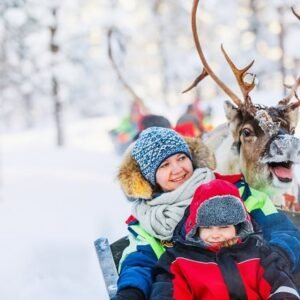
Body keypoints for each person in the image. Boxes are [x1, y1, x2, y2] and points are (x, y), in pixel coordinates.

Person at [113, 126, 300, 300]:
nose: (177, 169)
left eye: (181, 158)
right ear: (149, 176)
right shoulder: (146, 222)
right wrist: (132, 291)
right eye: (164, 165)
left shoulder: (237, 193)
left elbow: (284, 233)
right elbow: (138, 263)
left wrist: (272, 266)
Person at [150, 179, 299, 299]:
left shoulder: (257, 253)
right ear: (195, 228)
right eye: (207, 227)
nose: (215, 234)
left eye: (224, 227)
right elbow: (168, 291)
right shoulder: (178, 260)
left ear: (238, 227)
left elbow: (279, 284)